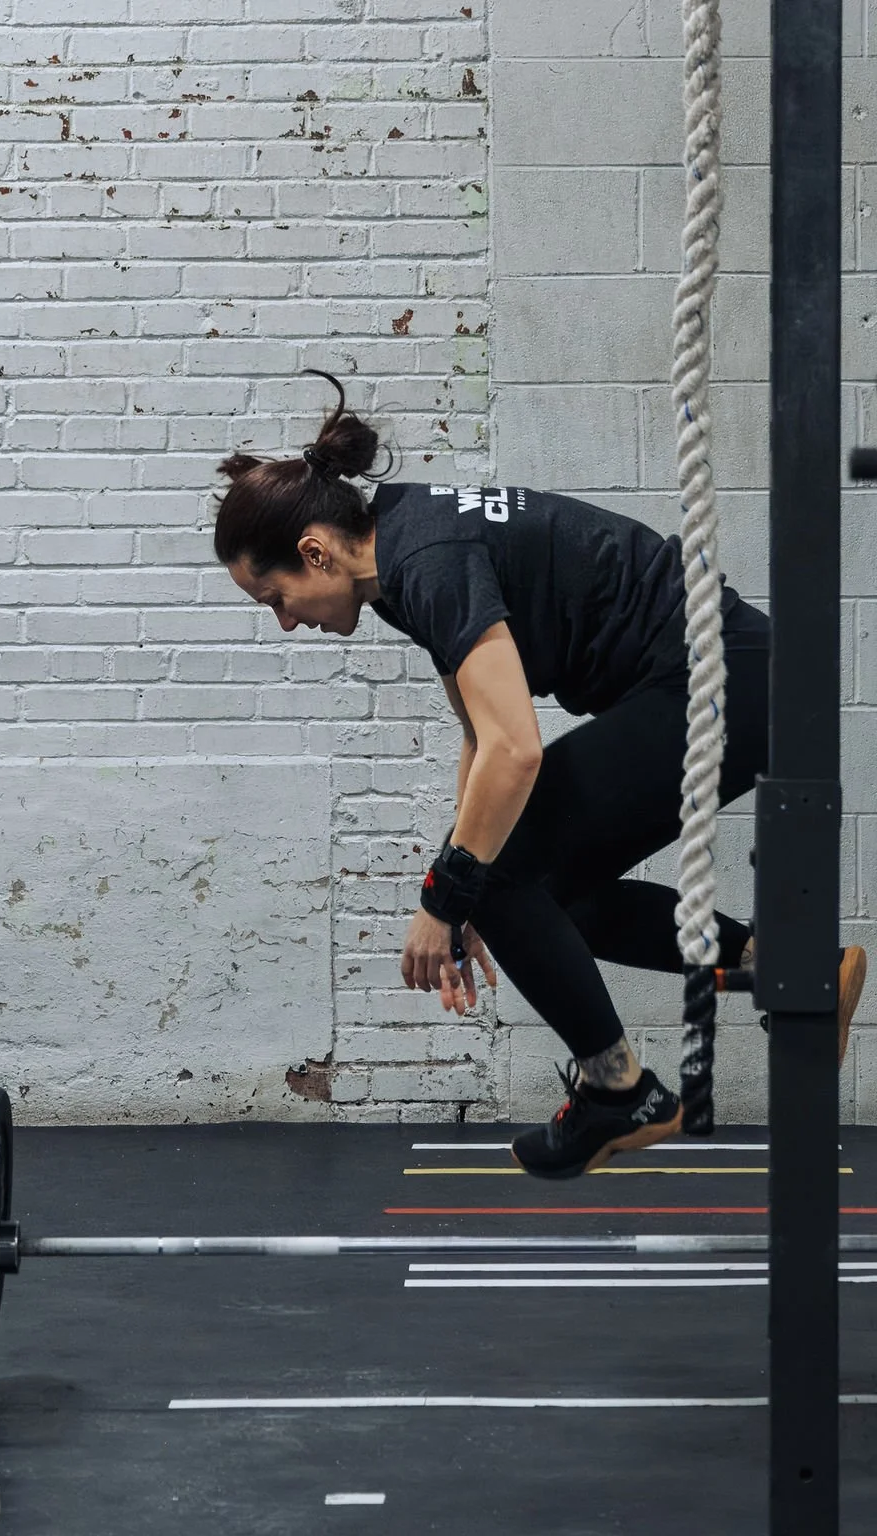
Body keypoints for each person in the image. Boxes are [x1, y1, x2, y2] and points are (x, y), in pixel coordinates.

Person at [213, 372, 867, 1179]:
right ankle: (789, 968)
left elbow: (517, 752)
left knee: (503, 871)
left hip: (723, 680)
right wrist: (472, 886)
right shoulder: (406, 555)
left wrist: (448, 897)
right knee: (551, 894)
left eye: (276, 598)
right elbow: (481, 737)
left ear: (314, 552)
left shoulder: (429, 558)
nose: (286, 623)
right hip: (736, 680)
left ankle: (619, 1091)